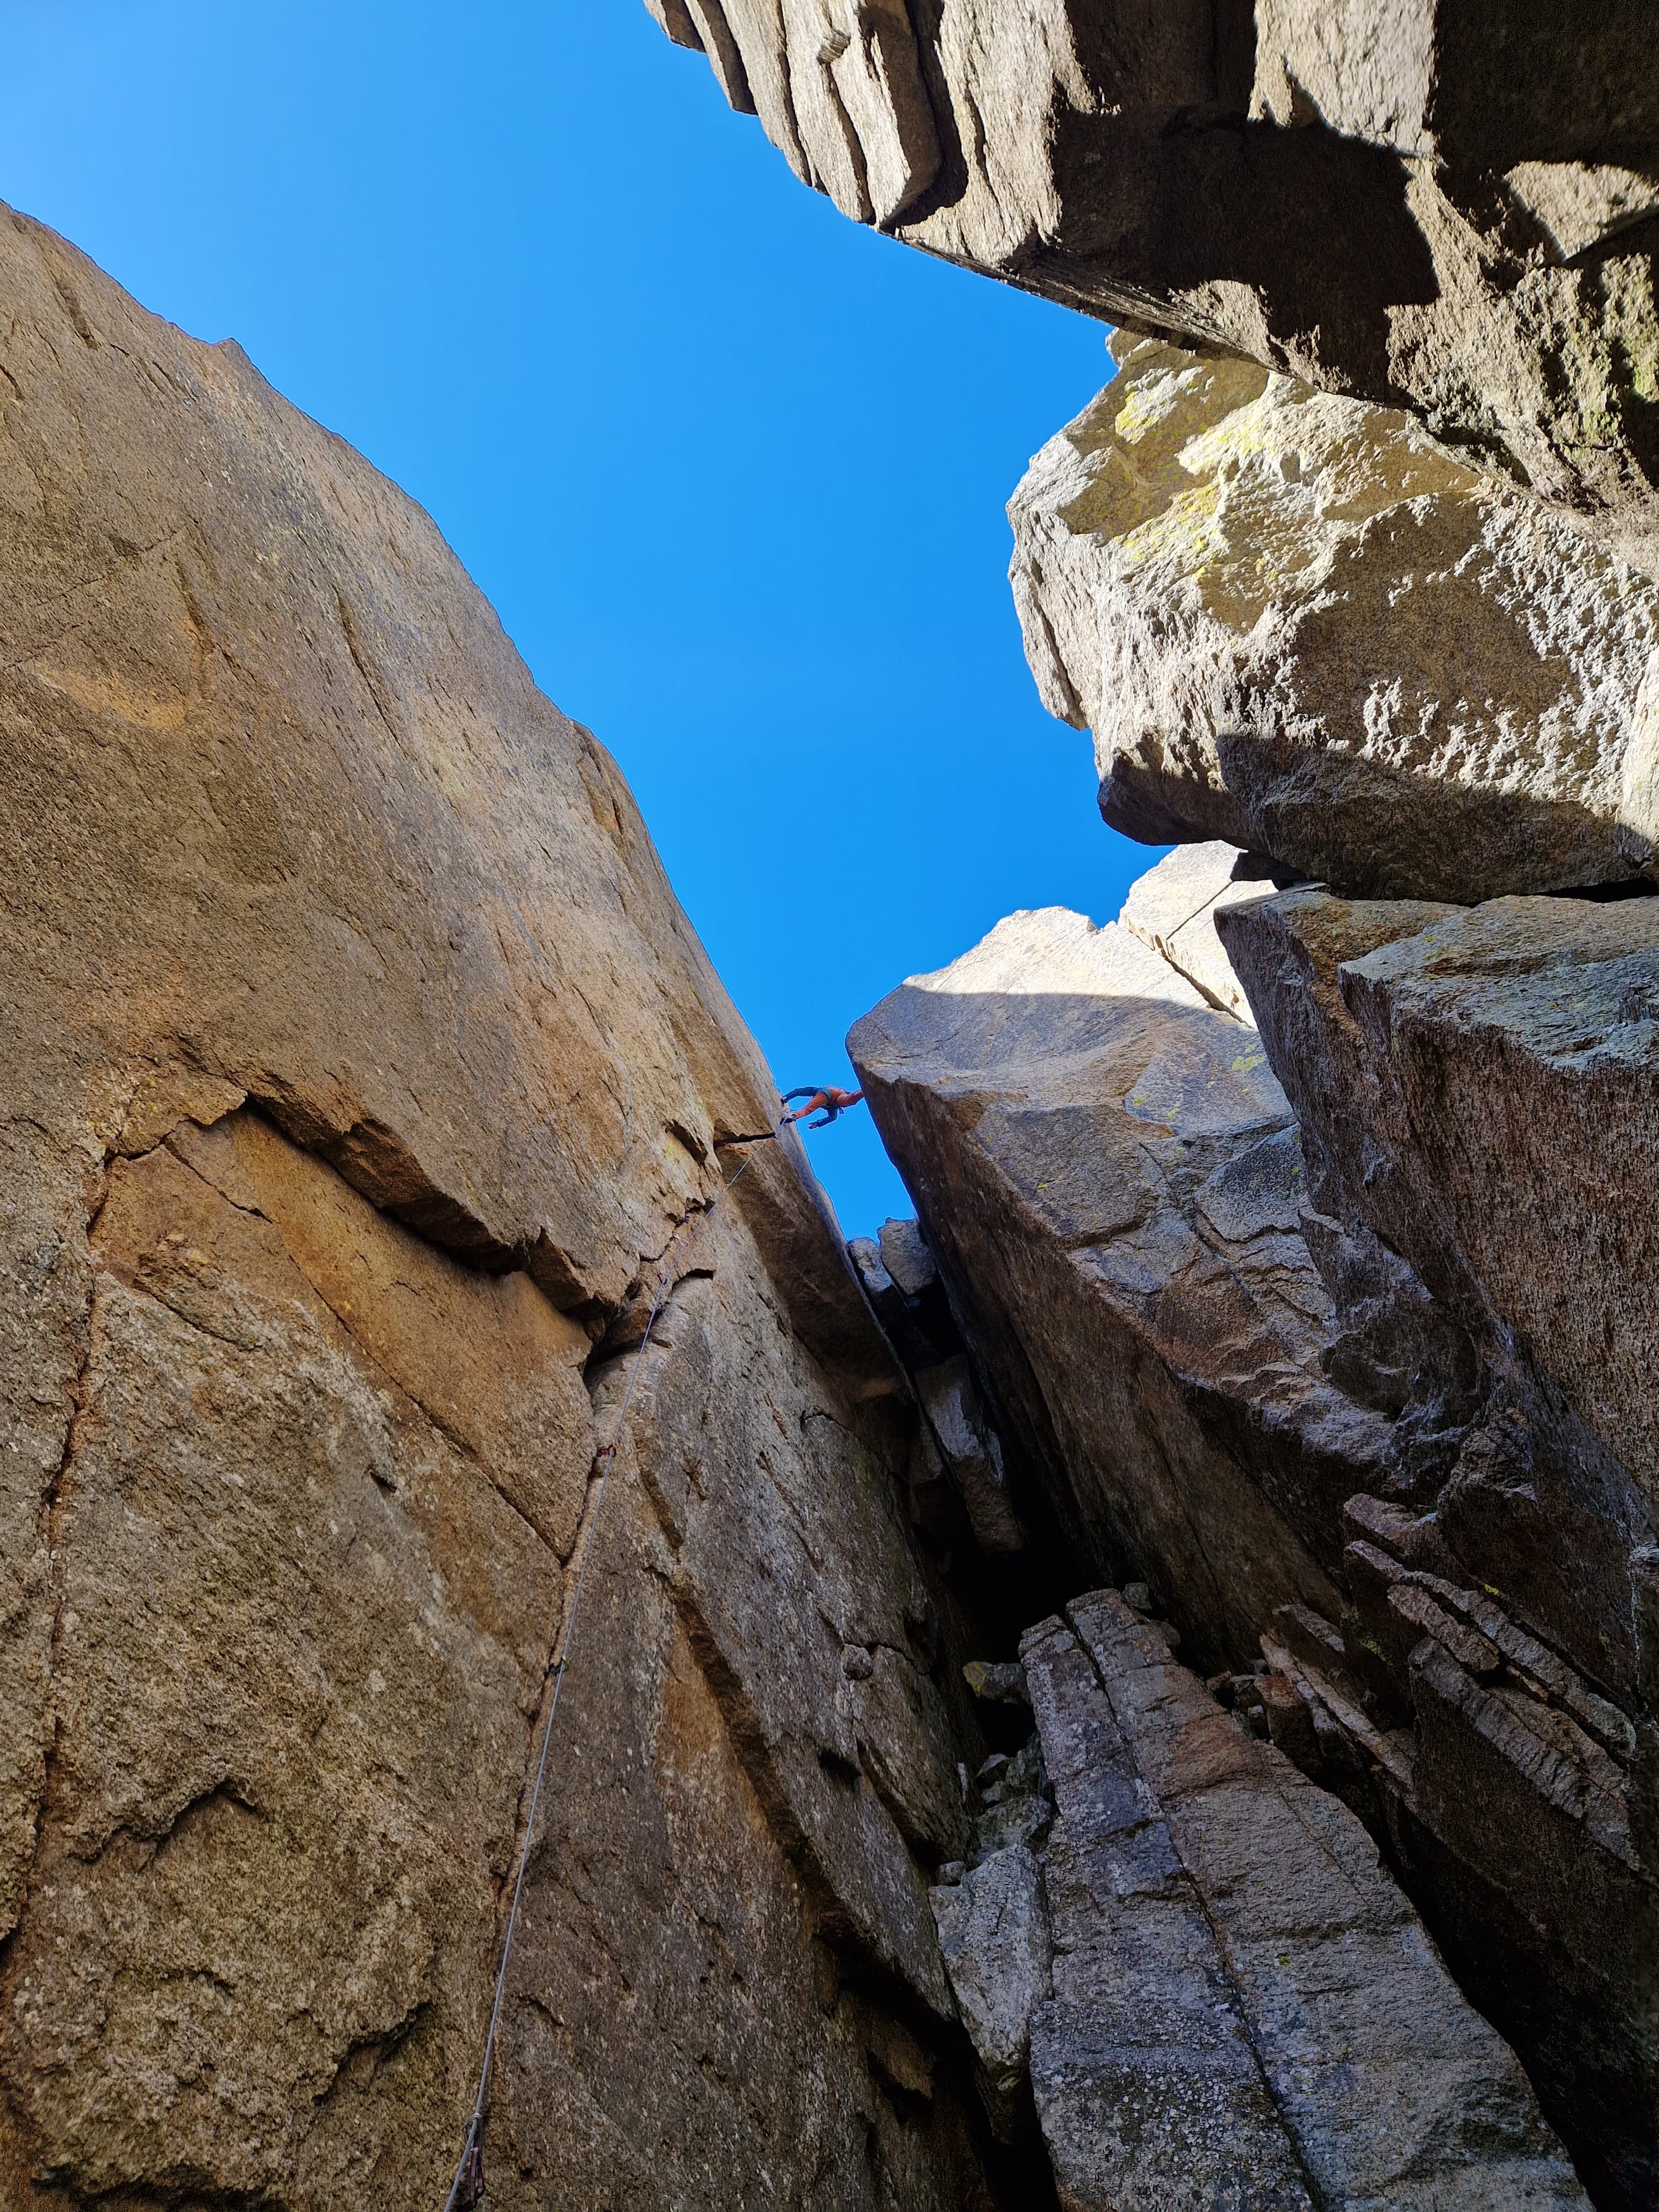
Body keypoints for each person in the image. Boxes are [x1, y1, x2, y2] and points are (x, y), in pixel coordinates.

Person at [780, 1083, 864, 1130]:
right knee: (808, 1109)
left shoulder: (824, 1092)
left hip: (829, 1094)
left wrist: (786, 1098)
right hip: (832, 1097)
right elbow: (833, 1118)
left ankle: (788, 1105)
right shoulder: (835, 1108)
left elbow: (800, 1091)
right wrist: (818, 1124)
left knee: (807, 1107)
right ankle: (793, 1116)